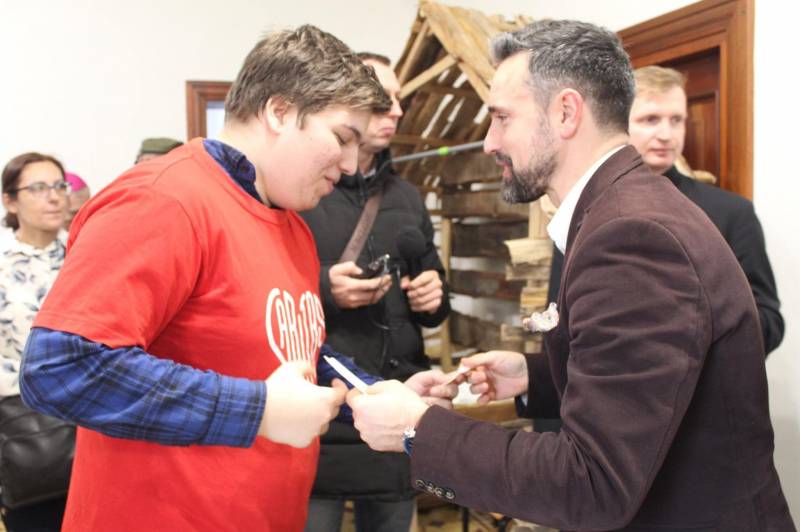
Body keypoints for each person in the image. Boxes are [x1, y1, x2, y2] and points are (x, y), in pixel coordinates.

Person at [346, 20, 795, 531]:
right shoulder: (623, 210)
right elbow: (648, 379)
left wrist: (418, 428)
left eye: (502, 117)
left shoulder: (631, 235)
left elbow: (593, 482)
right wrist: (533, 375)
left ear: (565, 112)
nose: (490, 142)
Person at [18, 25, 418, 532]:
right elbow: (61, 367)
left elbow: (285, 353)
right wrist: (257, 409)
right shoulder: (164, 199)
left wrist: (374, 391)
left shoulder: (291, 224)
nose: (350, 164)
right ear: (279, 111)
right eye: (342, 138)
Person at [300, 53, 450, 532]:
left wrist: (433, 297)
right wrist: (326, 288)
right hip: (323, 412)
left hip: (394, 404)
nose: (396, 111)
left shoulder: (406, 197)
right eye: (383, 99)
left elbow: (432, 295)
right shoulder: (302, 193)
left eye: (399, 99)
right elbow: (267, 291)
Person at [627, 65, 784, 354]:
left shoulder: (731, 213)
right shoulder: (590, 205)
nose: (666, 134)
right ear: (620, 124)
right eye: (650, 119)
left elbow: (769, 323)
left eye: (676, 120)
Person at [1, 152, 70, 531]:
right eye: (38, 188)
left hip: (95, 424)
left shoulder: (85, 253)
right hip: (27, 432)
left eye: (59, 186)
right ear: (10, 201)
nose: (54, 196)